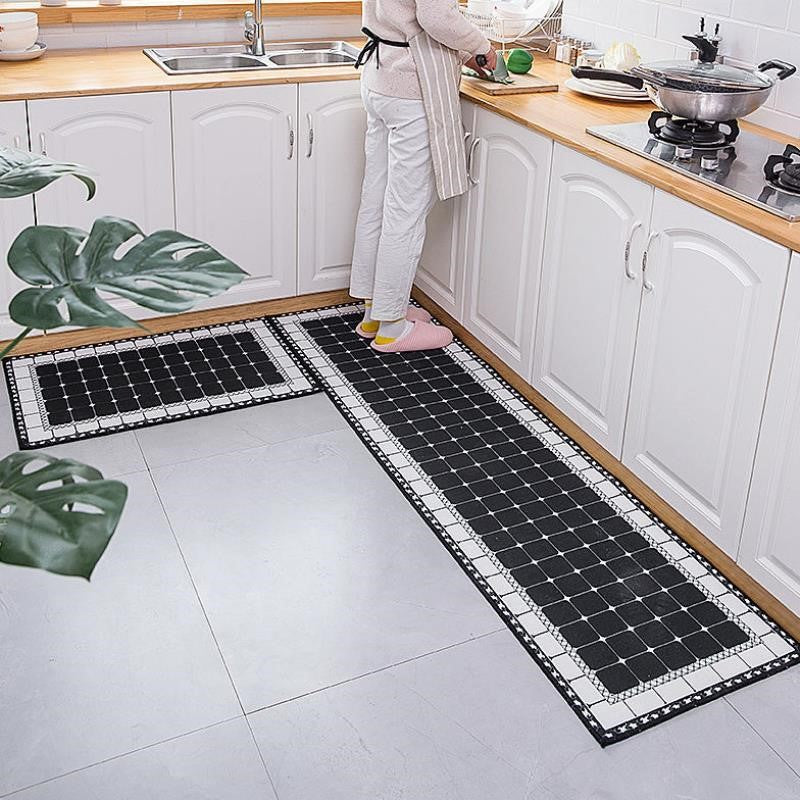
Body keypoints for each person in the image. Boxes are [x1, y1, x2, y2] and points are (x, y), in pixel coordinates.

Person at [350, 0, 497, 353]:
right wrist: (482, 47)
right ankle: (393, 329)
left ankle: (377, 312)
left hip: (381, 76)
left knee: (377, 201)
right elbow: (436, 16)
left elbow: (407, 14)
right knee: (405, 211)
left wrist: (462, 53)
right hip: (411, 89)